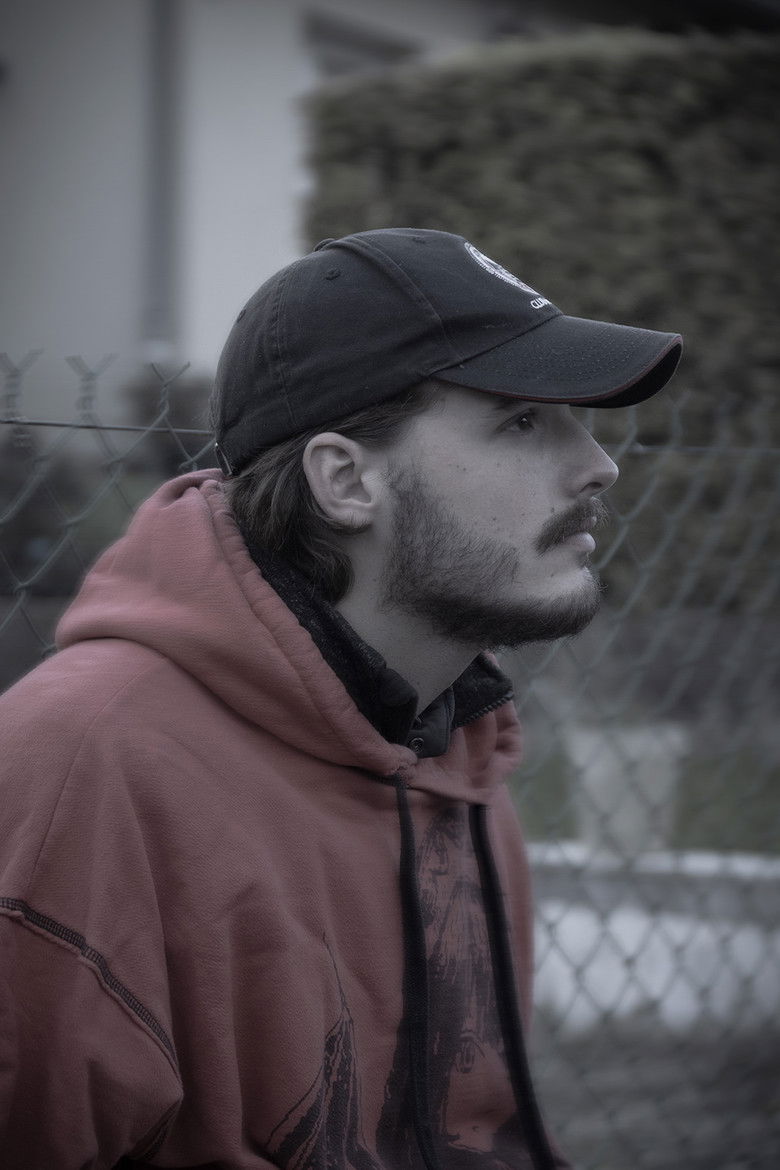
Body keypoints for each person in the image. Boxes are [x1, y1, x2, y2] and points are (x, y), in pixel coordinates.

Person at [0, 228, 682, 1169]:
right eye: (522, 422)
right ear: (347, 479)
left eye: (577, 419)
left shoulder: (460, 746)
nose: (598, 464)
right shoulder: (81, 767)